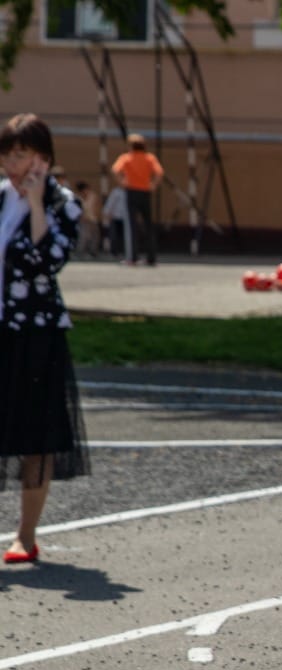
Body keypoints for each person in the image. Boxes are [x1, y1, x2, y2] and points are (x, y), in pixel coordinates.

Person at [0, 114, 89, 565]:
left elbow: (46, 261)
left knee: (36, 435)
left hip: (35, 334)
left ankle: (25, 535)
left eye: (22, 154)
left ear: (45, 158)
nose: (13, 164)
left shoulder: (63, 204)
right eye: (7, 154)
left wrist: (36, 204)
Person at [110, 132, 163, 266]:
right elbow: (159, 172)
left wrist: (122, 182)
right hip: (145, 191)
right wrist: (153, 184)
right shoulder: (149, 158)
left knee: (131, 225)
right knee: (148, 225)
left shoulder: (127, 158)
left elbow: (115, 170)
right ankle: (151, 257)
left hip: (132, 191)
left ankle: (132, 257)